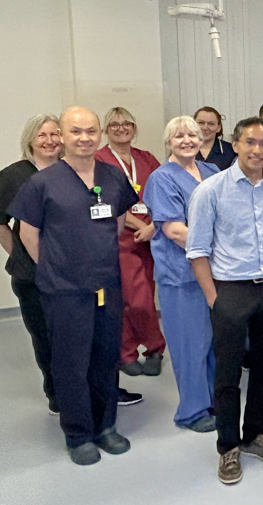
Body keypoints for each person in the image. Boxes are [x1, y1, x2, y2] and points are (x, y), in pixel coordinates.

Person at [9, 106, 140, 465]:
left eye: (90, 131)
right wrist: (57, 270)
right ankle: (78, 434)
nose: (84, 138)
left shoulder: (112, 177)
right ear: (63, 137)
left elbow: (116, 222)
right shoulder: (42, 183)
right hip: (64, 290)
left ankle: (105, 427)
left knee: (104, 358)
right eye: (76, 132)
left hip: (105, 286)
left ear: (99, 135)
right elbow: (28, 233)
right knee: (70, 363)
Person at [186, 116, 263, 484]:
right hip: (231, 290)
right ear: (235, 144)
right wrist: (214, 298)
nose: (256, 150)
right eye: (249, 142)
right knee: (228, 372)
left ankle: (254, 435)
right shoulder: (211, 191)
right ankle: (228, 446)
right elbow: (197, 250)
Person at [142, 116, 219, 433]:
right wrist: (221, 245)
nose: (186, 140)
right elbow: (173, 229)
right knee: (190, 344)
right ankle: (192, 411)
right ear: (168, 142)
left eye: (193, 134)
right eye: (179, 135)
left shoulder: (212, 172)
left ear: (202, 139)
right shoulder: (161, 179)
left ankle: (213, 399)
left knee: (213, 342)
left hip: (216, 273)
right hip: (181, 277)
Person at [0, 114, 61, 414]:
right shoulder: (13, 176)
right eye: (42, 135)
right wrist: (19, 256)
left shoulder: (72, 172)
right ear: (30, 139)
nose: (50, 141)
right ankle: (56, 395)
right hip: (33, 276)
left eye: (56, 134)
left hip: (70, 273)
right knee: (45, 337)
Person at [96, 107, 165, 377]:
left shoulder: (146, 158)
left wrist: (153, 226)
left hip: (151, 238)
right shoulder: (99, 160)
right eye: (114, 124)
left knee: (143, 294)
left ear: (134, 129)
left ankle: (142, 351)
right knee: (132, 299)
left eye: (126, 124)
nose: (121, 128)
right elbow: (103, 201)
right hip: (120, 238)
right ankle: (146, 347)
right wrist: (142, 225)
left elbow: (163, 192)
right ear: (105, 130)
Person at [194, 106, 236, 170]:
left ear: (219, 127)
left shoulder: (231, 151)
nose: (205, 127)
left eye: (211, 124)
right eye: (201, 123)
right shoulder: (185, 149)